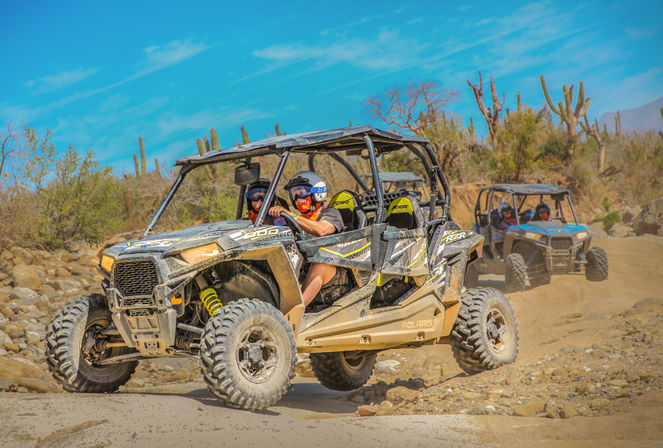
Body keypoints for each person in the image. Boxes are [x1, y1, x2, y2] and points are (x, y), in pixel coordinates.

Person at [268, 171, 346, 306]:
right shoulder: (297, 221)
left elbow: (321, 230)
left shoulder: (330, 213)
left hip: (337, 278)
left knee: (320, 263)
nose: (298, 198)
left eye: (301, 192)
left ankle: (295, 311)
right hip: (304, 275)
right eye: (294, 194)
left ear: (317, 192)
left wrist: (290, 215)